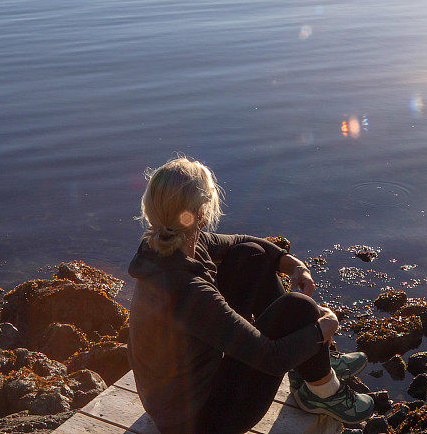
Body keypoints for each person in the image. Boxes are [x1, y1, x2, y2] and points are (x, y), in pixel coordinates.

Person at [127, 156, 375, 434]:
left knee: (250, 257)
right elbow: (270, 357)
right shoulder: (187, 290)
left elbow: (242, 242)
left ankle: (310, 364)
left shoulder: (169, 246)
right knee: (299, 308)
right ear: (200, 213)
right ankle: (323, 391)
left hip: (180, 395)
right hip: (197, 422)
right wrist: (322, 330)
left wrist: (294, 265)